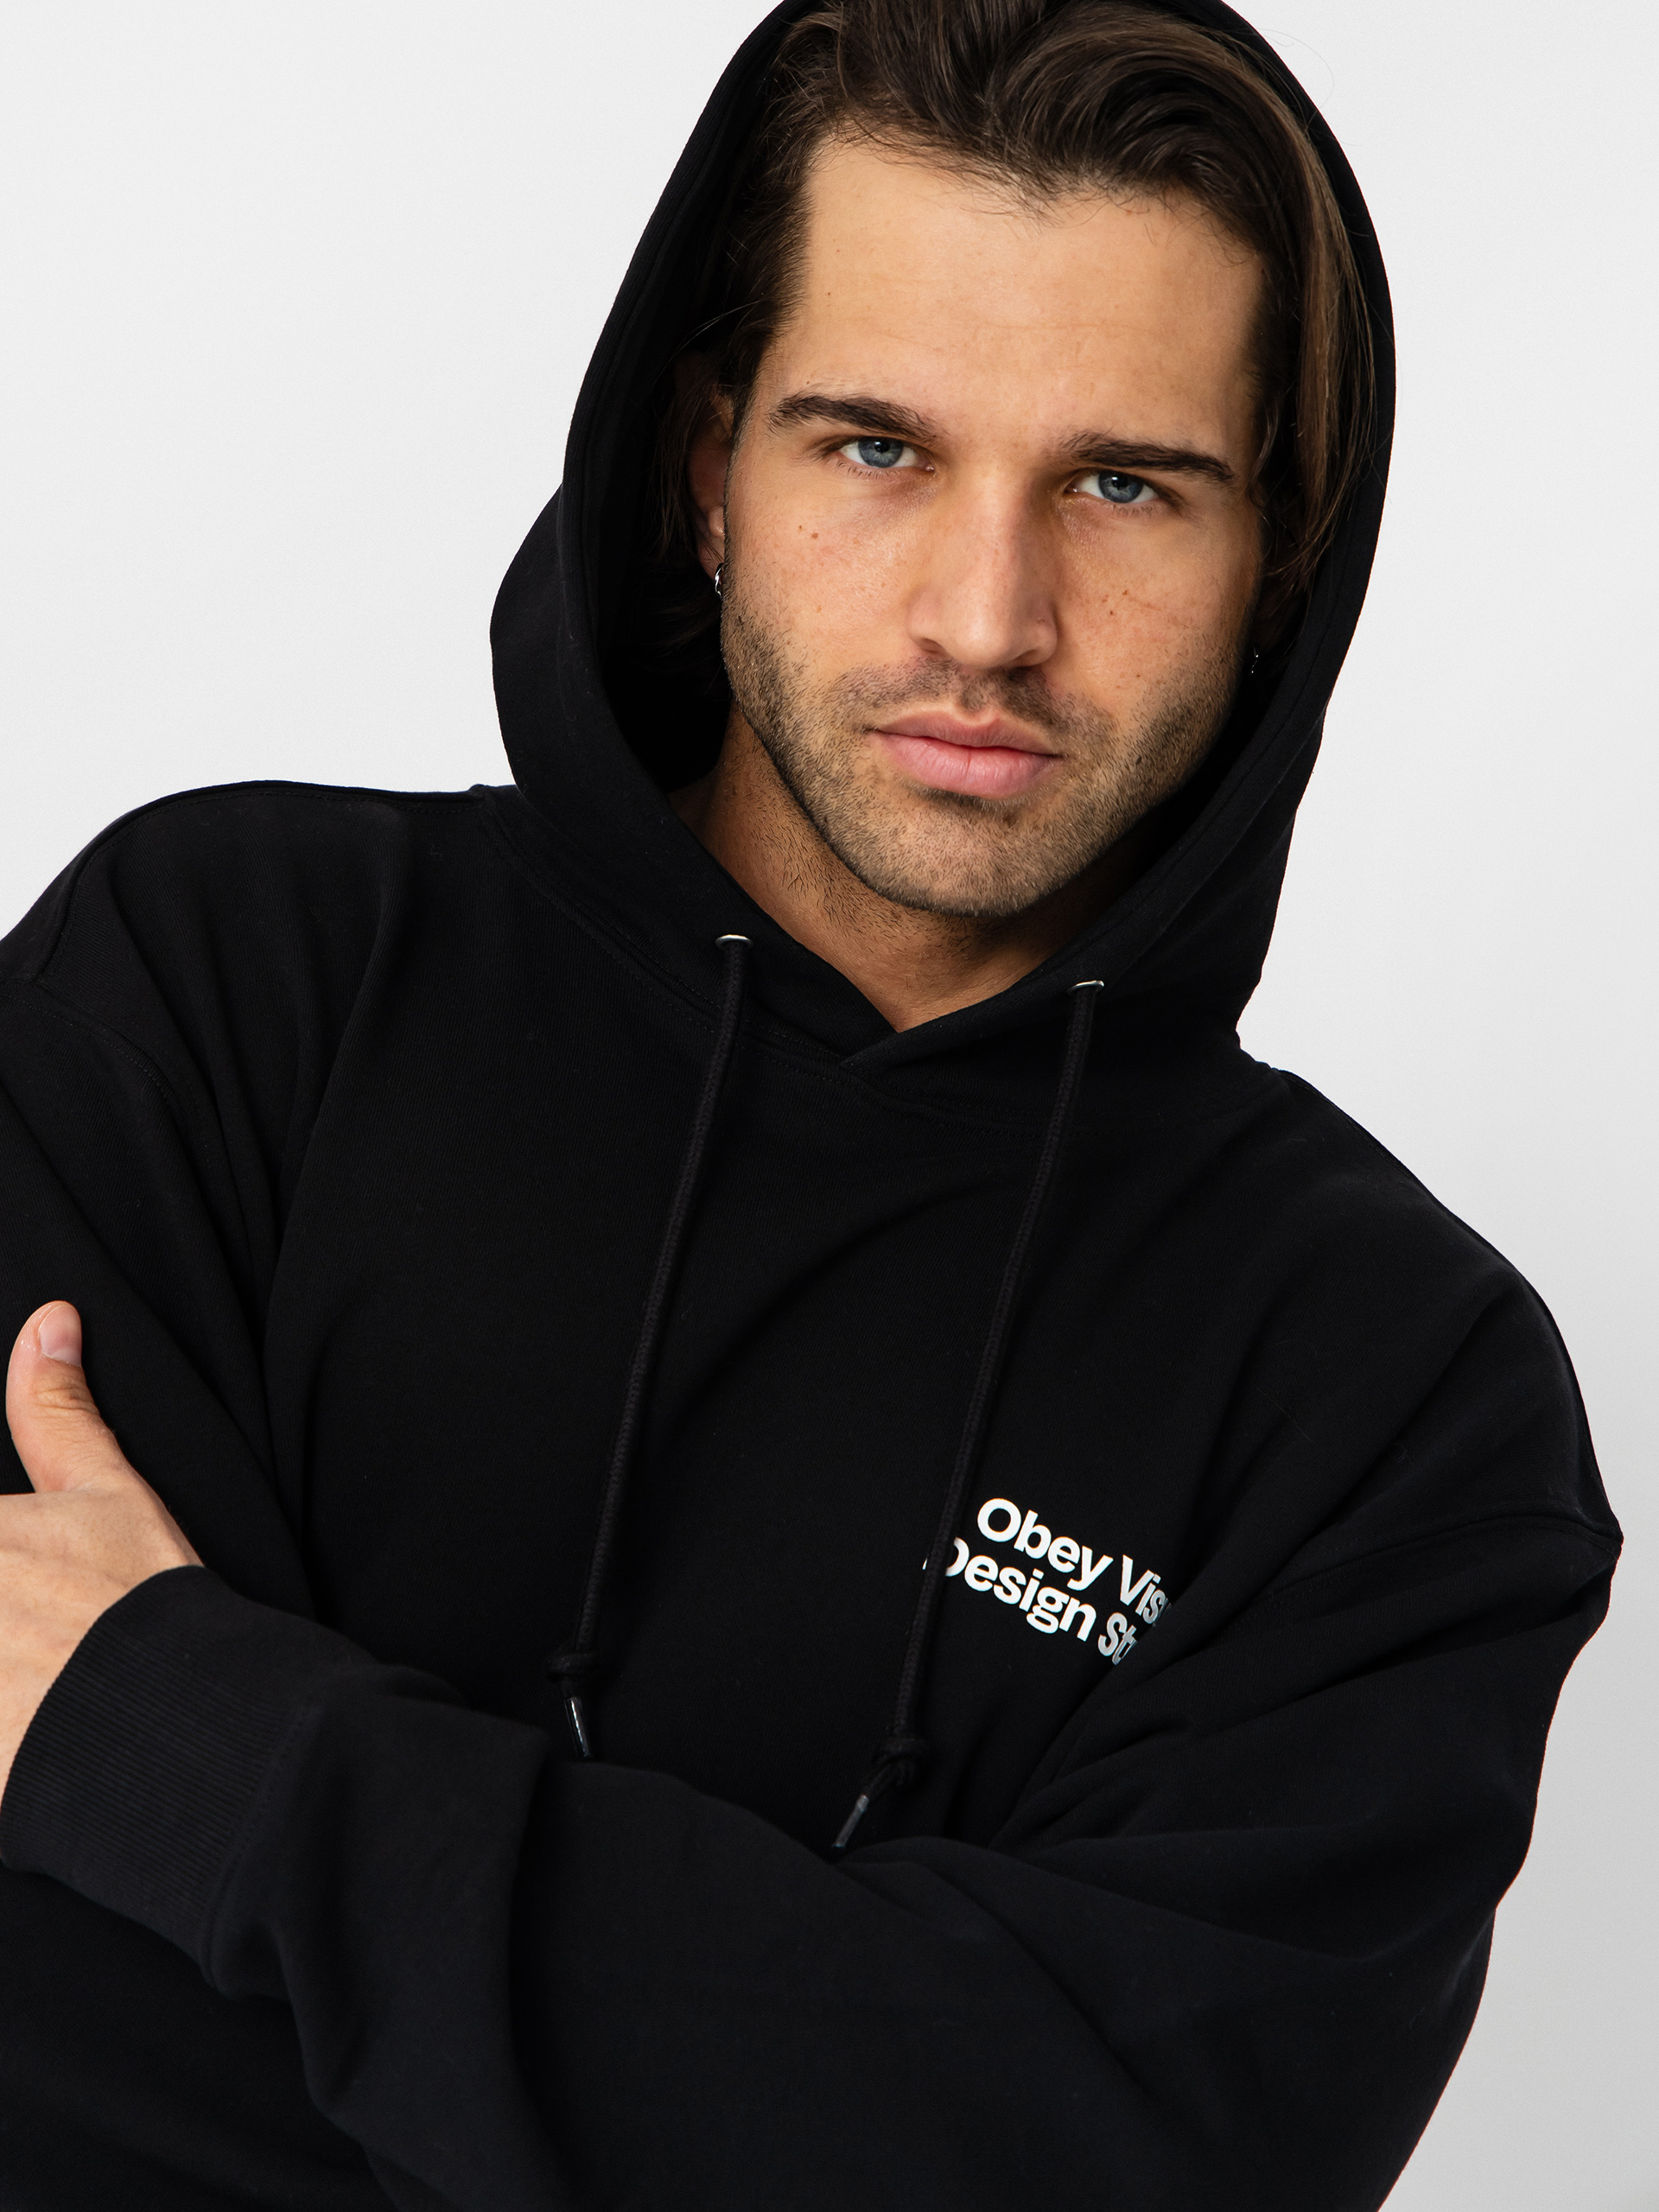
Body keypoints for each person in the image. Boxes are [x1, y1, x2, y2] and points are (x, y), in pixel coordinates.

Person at [0, 0, 1618, 2205]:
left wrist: (195, 1752)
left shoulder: (1397, 1398)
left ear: (1280, 561)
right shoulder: (219, 986)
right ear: (708, 468)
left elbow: (1123, 2168)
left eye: (1124, 484)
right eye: (876, 447)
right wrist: (840, 2055)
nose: (990, 616)